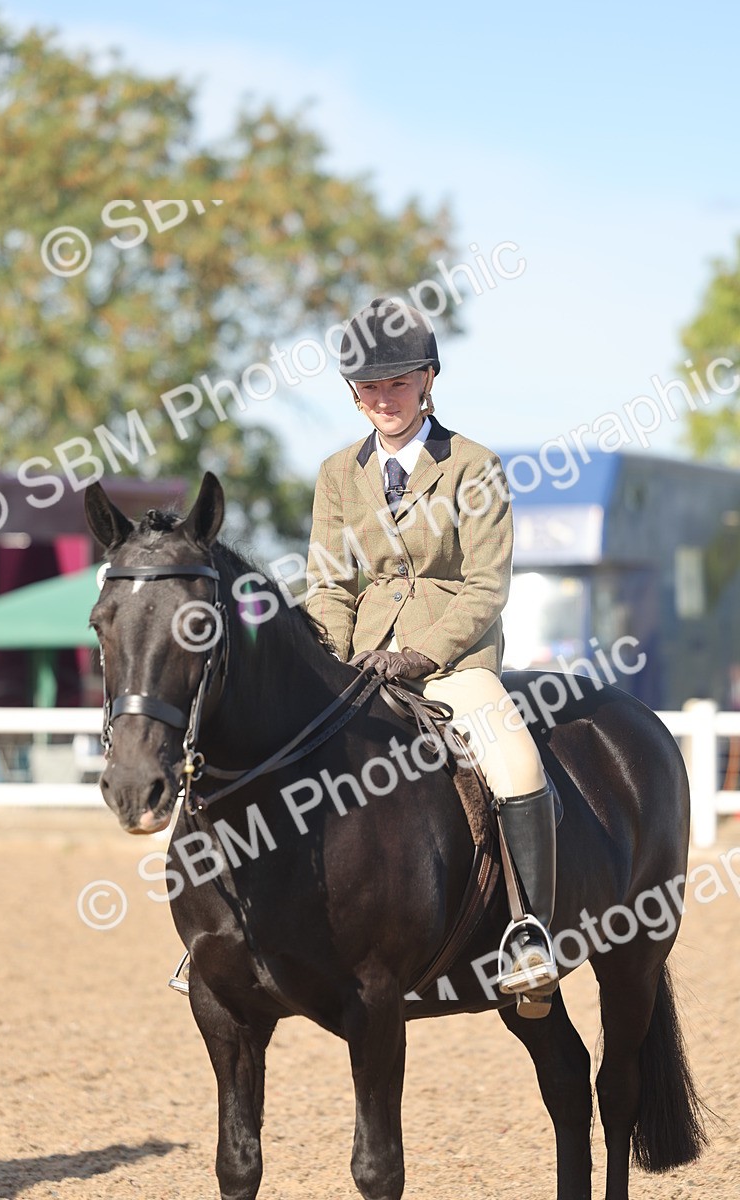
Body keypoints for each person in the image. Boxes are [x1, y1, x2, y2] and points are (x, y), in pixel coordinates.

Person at [304, 296, 558, 1014]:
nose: (384, 399)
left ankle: (529, 935)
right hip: (359, 664)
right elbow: (329, 580)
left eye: (398, 383)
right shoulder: (336, 474)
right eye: (369, 387)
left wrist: (421, 653)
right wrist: (333, 657)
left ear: (429, 380)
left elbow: (486, 586)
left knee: (515, 765)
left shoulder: (474, 465)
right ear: (353, 393)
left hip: (454, 662)